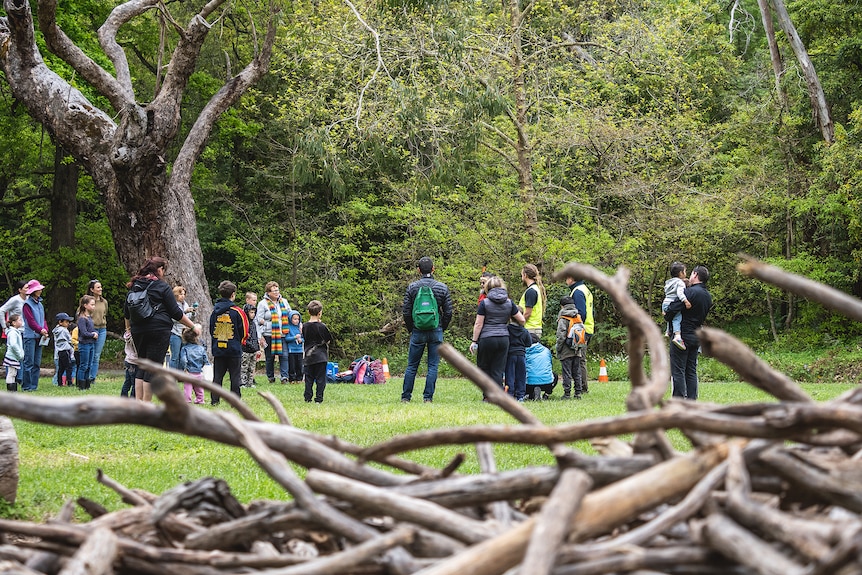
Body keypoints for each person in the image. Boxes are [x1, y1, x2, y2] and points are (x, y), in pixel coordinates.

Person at [125, 256, 195, 402]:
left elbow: (127, 312)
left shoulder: (135, 286)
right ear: (158, 269)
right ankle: (147, 405)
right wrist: (193, 326)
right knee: (153, 368)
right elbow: (176, 313)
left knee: (142, 365)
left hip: (138, 330)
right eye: (163, 269)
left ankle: (139, 404)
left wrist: (129, 329)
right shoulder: (162, 287)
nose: (163, 272)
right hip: (158, 330)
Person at [401, 256, 454, 403]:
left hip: (417, 331)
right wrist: (442, 326)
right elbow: (448, 312)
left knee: (412, 365)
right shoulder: (442, 287)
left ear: (418, 270)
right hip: (435, 331)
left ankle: (406, 397)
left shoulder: (412, 287)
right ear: (433, 269)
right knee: (433, 365)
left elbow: (406, 311)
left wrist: (412, 328)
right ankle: (428, 398)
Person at [665, 265, 712, 400]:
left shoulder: (690, 292)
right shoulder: (707, 296)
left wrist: (667, 315)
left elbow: (674, 307)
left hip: (682, 335)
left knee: (678, 370)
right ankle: (691, 400)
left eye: (691, 274)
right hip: (697, 335)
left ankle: (679, 401)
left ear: (695, 275)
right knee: (691, 370)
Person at [470, 276, 525, 393]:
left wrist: (474, 341)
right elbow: (522, 320)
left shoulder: (484, 303)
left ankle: (487, 395)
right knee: (498, 369)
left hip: (486, 338)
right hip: (503, 338)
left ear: (487, 288)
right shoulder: (509, 302)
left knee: (484, 368)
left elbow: (478, 324)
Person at [209, 280, 248, 404]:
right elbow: (245, 330)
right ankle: (235, 401)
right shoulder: (238, 311)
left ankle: (215, 400)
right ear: (233, 294)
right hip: (234, 349)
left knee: (217, 376)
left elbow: (211, 329)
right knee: (235, 376)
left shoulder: (215, 311)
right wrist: (240, 342)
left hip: (219, 347)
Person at [256, 281, 292, 384]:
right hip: (268, 334)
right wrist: (261, 335)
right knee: (269, 357)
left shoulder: (284, 301)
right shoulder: (262, 303)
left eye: (277, 290)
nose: (276, 292)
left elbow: (290, 314)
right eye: (274, 291)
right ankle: (270, 377)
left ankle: (284, 377)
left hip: (282, 333)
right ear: (268, 292)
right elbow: (259, 319)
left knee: (284, 355)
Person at [565, 273, 595, 393]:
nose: (566, 280)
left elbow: (581, 312)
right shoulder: (585, 289)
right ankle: (582, 386)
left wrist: (574, 328)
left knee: (579, 358)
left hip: (581, 329)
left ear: (572, 278)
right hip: (588, 327)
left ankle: (582, 387)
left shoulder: (577, 292)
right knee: (581, 358)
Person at [20, 280, 49, 392]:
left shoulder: (40, 304)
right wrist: (40, 330)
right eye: (38, 289)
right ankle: (26, 386)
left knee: (37, 362)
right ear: (34, 291)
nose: (41, 291)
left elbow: (43, 319)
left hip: (40, 336)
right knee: (29, 362)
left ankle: (34, 385)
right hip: (30, 336)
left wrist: (45, 329)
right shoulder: (27, 305)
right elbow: (31, 321)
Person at [302, 300, 332, 403]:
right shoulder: (322, 326)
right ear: (320, 313)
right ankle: (319, 398)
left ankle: (307, 397)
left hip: (308, 355)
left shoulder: (304, 326)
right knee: (320, 379)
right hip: (320, 356)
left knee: (308, 378)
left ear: (308, 312)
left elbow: (304, 337)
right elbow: (328, 339)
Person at [555, 296, 583, 400]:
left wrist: (558, 348)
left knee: (567, 372)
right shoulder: (578, 316)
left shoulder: (563, 318)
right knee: (577, 372)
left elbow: (561, 335)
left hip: (566, 350)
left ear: (562, 306)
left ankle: (567, 394)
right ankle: (578, 393)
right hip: (577, 348)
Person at [662, 262, 691, 350]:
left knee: (669, 317)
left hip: (665, 302)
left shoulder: (668, 282)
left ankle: (667, 332)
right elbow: (679, 293)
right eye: (685, 271)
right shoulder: (680, 282)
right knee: (677, 318)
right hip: (672, 302)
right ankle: (677, 337)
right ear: (681, 273)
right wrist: (686, 301)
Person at [505, 308, 532, 402]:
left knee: (510, 375)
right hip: (521, 355)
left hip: (510, 355)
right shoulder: (524, 331)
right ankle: (520, 395)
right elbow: (529, 343)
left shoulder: (507, 329)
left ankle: (510, 394)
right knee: (521, 375)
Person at [178, 324, 209, 404]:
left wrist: (185, 368)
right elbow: (205, 359)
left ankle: (187, 399)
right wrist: (203, 367)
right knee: (199, 387)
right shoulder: (201, 349)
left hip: (189, 372)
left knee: (187, 387)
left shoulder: (185, 349)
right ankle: (200, 399)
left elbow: (183, 360)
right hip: (198, 371)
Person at [86, 280, 108, 383]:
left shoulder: (104, 302)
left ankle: (92, 378)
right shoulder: (86, 301)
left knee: (96, 355)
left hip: (102, 329)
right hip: (91, 329)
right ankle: (86, 376)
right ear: (92, 289)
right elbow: (81, 314)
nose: (100, 289)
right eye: (98, 287)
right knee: (90, 354)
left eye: (101, 287)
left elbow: (105, 314)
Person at [75, 295, 99, 391]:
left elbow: (92, 329)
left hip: (91, 344)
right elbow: (84, 333)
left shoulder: (89, 317)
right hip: (84, 344)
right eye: (92, 305)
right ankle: (81, 384)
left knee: (89, 365)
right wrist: (92, 335)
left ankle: (87, 383)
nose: (94, 307)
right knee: (83, 365)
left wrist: (95, 333)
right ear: (85, 305)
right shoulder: (82, 318)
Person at [525, 334, 557, 400]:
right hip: (547, 383)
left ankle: (530, 393)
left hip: (529, 383)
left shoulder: (525, 351)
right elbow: (550, 364)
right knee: (555, 376)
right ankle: (547, 393)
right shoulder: (546, 350)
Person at [519, 264, 546, 338]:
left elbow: (528, 313)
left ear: (525, 275)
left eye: (522, 274)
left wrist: (519, 324)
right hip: (534, 328)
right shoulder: (536, 289)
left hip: (530, 329)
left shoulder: (531, 291)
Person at [168, 285, 192, 370]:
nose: (183, 296)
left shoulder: (185, 304)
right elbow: (174, 319)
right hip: (175, 333)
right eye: (181, 294)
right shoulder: (173, 305)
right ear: (176, 295)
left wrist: (192, 312)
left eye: (184, 294)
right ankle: (171, 375)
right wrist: (185, 312)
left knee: (183, 355)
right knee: (175, 357)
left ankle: (181, 375)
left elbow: (188, 318)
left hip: (184, 333)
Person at [240, 303, 261, 388]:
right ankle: (243, 383)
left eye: (254, 312)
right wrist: (251, 345)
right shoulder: (244, 324)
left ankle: (250, 382)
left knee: (251, 368)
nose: (253, 314)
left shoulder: (253, 324)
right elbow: (243, 337)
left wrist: (257, 348)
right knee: (244, 367)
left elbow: (255, 337)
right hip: (245, 349)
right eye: (251, 312)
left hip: (253, 350)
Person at [52, 312, 75, 388]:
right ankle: (69, 382)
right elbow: (69, 340)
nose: (68, 323)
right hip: (66, 350)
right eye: (66, 321)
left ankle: (59, 382)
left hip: (60, 351)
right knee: (69, 367)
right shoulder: (64, 330)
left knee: (61, 368)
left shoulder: (56, 330)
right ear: (60, 322)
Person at [3, 313, 24, 392]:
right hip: (12, 356)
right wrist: (19, 354)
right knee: (11, 373)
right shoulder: (12, 333)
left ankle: (13, 388)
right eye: (19, 320)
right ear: (14, 323)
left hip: (15, 356)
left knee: (14, 373)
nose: (21, 322)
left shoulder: (16, 332)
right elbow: (13, 344)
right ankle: (11, 390)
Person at [286, 310, 304, 384]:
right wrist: (294, 337)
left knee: (299, 365)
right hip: (291, 350)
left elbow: (304, 337)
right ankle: (292, 379)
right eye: (294, 319)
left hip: (299, 350)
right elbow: (287, 338)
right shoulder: (288, 327)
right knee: (292, 365)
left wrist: (301, 340)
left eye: (298, 319)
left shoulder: (300, 327)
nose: (296, 321)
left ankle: (299, 379)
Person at [119, 327, 137, 399]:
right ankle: (133, 399)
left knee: (128, 381)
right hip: (134, 361)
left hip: (128, 360)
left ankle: (123, 397)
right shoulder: (135, 337)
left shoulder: (128, 335)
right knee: (135, 384)